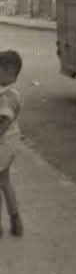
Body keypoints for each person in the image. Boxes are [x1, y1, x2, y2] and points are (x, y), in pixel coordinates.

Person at [0, 50, 24, 238]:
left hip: (3, 143)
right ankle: (16, 221)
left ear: (9, 71)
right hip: (9, 144)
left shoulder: (7, 96)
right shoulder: (11, 92)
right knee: (5, 181)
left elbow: (4, 121)